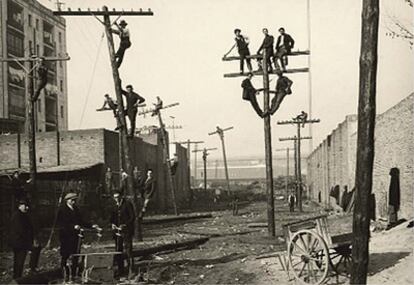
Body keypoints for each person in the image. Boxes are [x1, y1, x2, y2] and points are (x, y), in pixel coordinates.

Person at [57, 193, 99, 279]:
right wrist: (73, 226)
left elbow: (81, 221)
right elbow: (62, 224)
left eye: (74, 200)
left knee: (75, 255)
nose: (73, 202)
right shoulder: (62, 210)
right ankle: (64, 274)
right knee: (65, 255)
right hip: (66, 236)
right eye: (72, 200)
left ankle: (73, 274)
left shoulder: (75, 209)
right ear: (67, 200)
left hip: (75, 236)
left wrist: (91, 225)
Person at [9, 200, 41, 279]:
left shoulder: (25, 215)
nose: (27, 208)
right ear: (20, 205)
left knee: (37, 248)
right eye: (25, 206)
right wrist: (30, 244)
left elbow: (30, 229)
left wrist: (33, 239)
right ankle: (17, 278)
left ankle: (32, 269)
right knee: (19, 262)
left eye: (27, 206)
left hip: (24, 241)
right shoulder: (17, 216)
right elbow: (22, 231)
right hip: (19, 243)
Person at [110, 191, 135, 278]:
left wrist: (125, 225)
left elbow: (132, 217)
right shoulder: (114, 206)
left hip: (126, 231)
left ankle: (131, 270)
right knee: (118, 250)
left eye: (118, 197)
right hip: (117, 232)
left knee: (128, 250)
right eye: (115, 197)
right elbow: (112, 218)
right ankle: (121, 270)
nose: (117, 199)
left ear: (121, 196)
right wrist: (113, 224)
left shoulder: (127, 204)